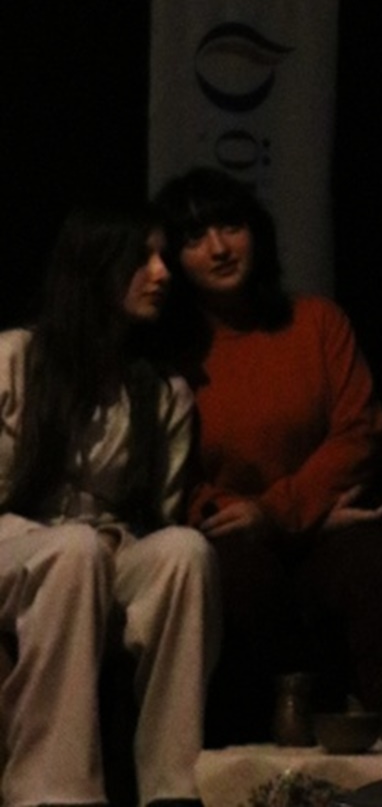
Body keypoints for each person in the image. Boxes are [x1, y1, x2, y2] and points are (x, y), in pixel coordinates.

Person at [153, 167, 382, 747]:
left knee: (374, 559)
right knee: (236, 578)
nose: (219, 249)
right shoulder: (171, 354)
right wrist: (257, 519)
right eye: (195, 238)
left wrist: (281, 514)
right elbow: (170, 471)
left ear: (256, 231)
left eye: (230, 227)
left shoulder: (316, 321)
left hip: (317, 526)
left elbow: (359, 432)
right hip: (234, 537)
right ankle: (254, 762)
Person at [0, 204, 219, 807]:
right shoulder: (13, 360)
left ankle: (173, 787)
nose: (162, 272)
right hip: (14, 549)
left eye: (162, 257)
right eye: (141, 257)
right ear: (95, 266)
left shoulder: (162, 392)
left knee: (184, 553)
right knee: (74, 552)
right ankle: (53, 790)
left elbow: (157, 515)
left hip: (97, 553)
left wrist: (105, 542)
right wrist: (69, 540)